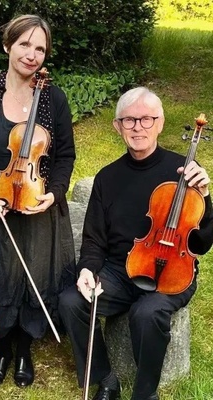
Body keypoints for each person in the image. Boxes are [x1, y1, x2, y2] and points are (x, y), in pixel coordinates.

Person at [58, 87, 213, 400]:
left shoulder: (182, 172)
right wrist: (88, 268)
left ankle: (145, 393)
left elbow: (203, 242)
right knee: (70, 301)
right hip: (119, 270)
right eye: (129, 121)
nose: (138, 127)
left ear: (160, 123)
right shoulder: (106, 178)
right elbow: (94, 239)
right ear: (117, 126)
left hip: (173, 270)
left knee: (147, 313)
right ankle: (106, 378)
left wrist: (206, 197)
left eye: (146, 119)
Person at [0, 14, 77, 388]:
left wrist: (53, 194)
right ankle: (1, 347)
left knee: (34, 275)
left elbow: (65, 158)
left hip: (37, 207)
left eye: (40, 48)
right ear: (8, 45)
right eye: (25, 44)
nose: (32, 54)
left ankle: (24, 345)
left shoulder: (53, 99)